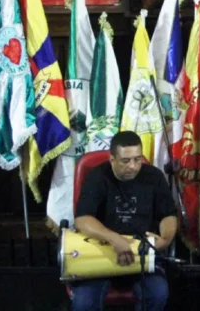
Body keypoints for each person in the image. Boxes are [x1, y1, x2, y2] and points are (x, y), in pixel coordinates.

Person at [71, 131, 177, 311]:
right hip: (101, 251)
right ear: (112, 159)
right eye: (125, 161)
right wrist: (114, 238)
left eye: (137, 159)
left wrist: (165, 239)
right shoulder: (97, 177)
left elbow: (168, 215)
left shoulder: (154, 176)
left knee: (157, 294)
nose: (133, 166)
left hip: (141, 253)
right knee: (84, 302)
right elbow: (82, 219)